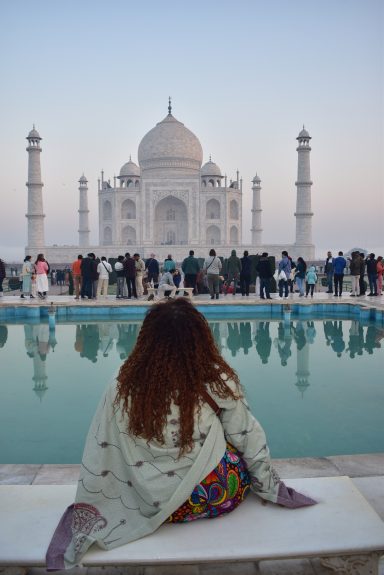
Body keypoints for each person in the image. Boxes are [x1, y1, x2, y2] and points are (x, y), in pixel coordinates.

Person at [46, 299, 315, 570]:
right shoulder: (214, 378)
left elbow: (104, 444)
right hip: (210, 495)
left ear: (147, 338)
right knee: (229, 444)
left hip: (145, 497)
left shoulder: (123, 380)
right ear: (200, 336)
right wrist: (270, 486)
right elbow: (248, 436)